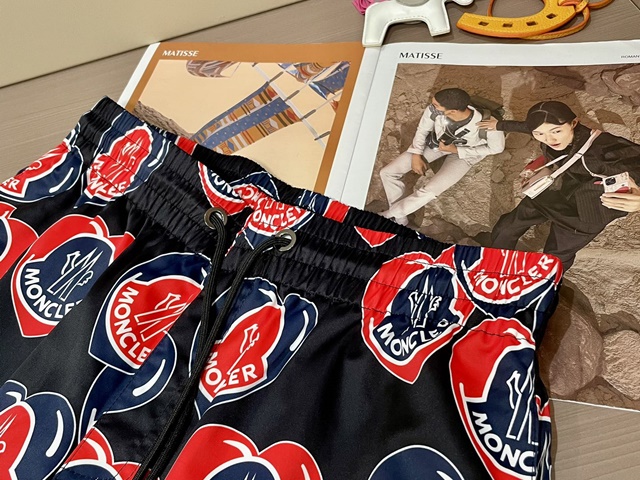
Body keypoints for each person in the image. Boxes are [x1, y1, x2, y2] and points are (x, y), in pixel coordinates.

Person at [478, 100, 640, 271]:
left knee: (555, 257)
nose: (549, 139)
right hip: (559, 192)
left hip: (587, 212)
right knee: (507, 227)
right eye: (539, 134)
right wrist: (498, 125)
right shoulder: (545, 134)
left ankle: (545, 283)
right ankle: (495, 262)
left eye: (556, 131)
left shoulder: (602, 150)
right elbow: (527, 127)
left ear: (574, 123)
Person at [379, 88, 505, 226]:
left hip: (464, 156)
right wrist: (416, 154)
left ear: (453, 111)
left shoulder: (488, 123)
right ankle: (400, 219)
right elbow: (423, 130)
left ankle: (388, 215)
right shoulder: (434, 111)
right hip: (436, 145)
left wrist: (456, 150)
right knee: (387, 173)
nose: (432, 107)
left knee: (430, 190)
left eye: (436, 105)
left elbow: (496, 148)